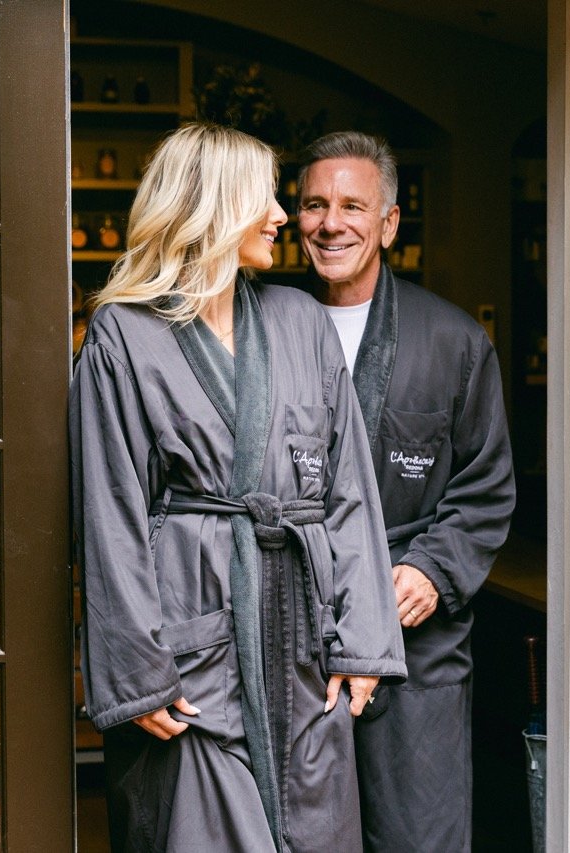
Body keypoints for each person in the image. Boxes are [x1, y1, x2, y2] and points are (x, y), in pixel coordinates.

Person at [70, 123, 406, 853]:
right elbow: (110, 514)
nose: (285, 217)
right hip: (193, 650)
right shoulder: (124, 336)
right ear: (215, 208)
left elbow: (347, 489)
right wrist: (139, 672)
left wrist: (362, 639)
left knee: (316, 829)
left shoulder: (299, 320)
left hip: (302, 647)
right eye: (268, 199)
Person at [298, 131, 515, 852]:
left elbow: (486, 483)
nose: (332, 223)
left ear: (389, 223)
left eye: (353, 205)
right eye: (314, 205)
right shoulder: (265, 325)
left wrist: (432, 567)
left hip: (413, 647)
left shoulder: (452, 340)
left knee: (418, 836)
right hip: (296, 632)